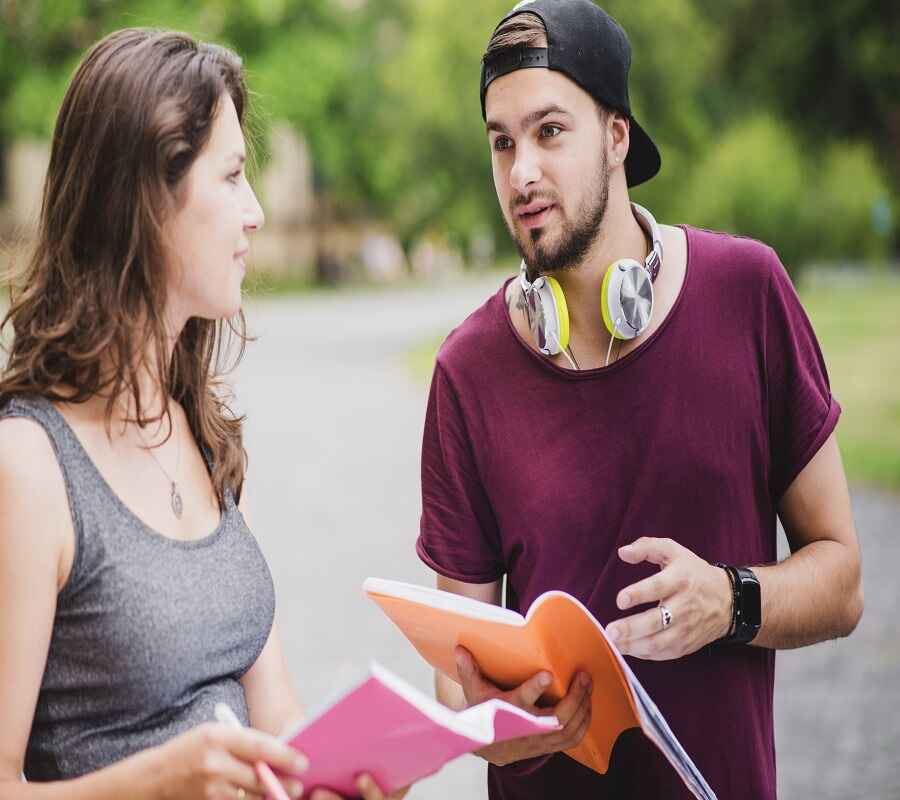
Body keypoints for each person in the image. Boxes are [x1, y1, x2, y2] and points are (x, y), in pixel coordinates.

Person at [416, 1, 864, 798]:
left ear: (618, 136)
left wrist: (727, 600)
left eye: (550, 132)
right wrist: (505, 731)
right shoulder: (466, 371)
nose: (521, 172)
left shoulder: (748, 292)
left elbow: (842, 579)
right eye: (501, 142)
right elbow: (461, 686)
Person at [0, 28, 399, 800]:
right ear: (149, 199)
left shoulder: (200, 428)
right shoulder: (27, 467)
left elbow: (278, 719)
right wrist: (157, 782)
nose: (254, 213)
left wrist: (344, 778)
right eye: (232, 177)